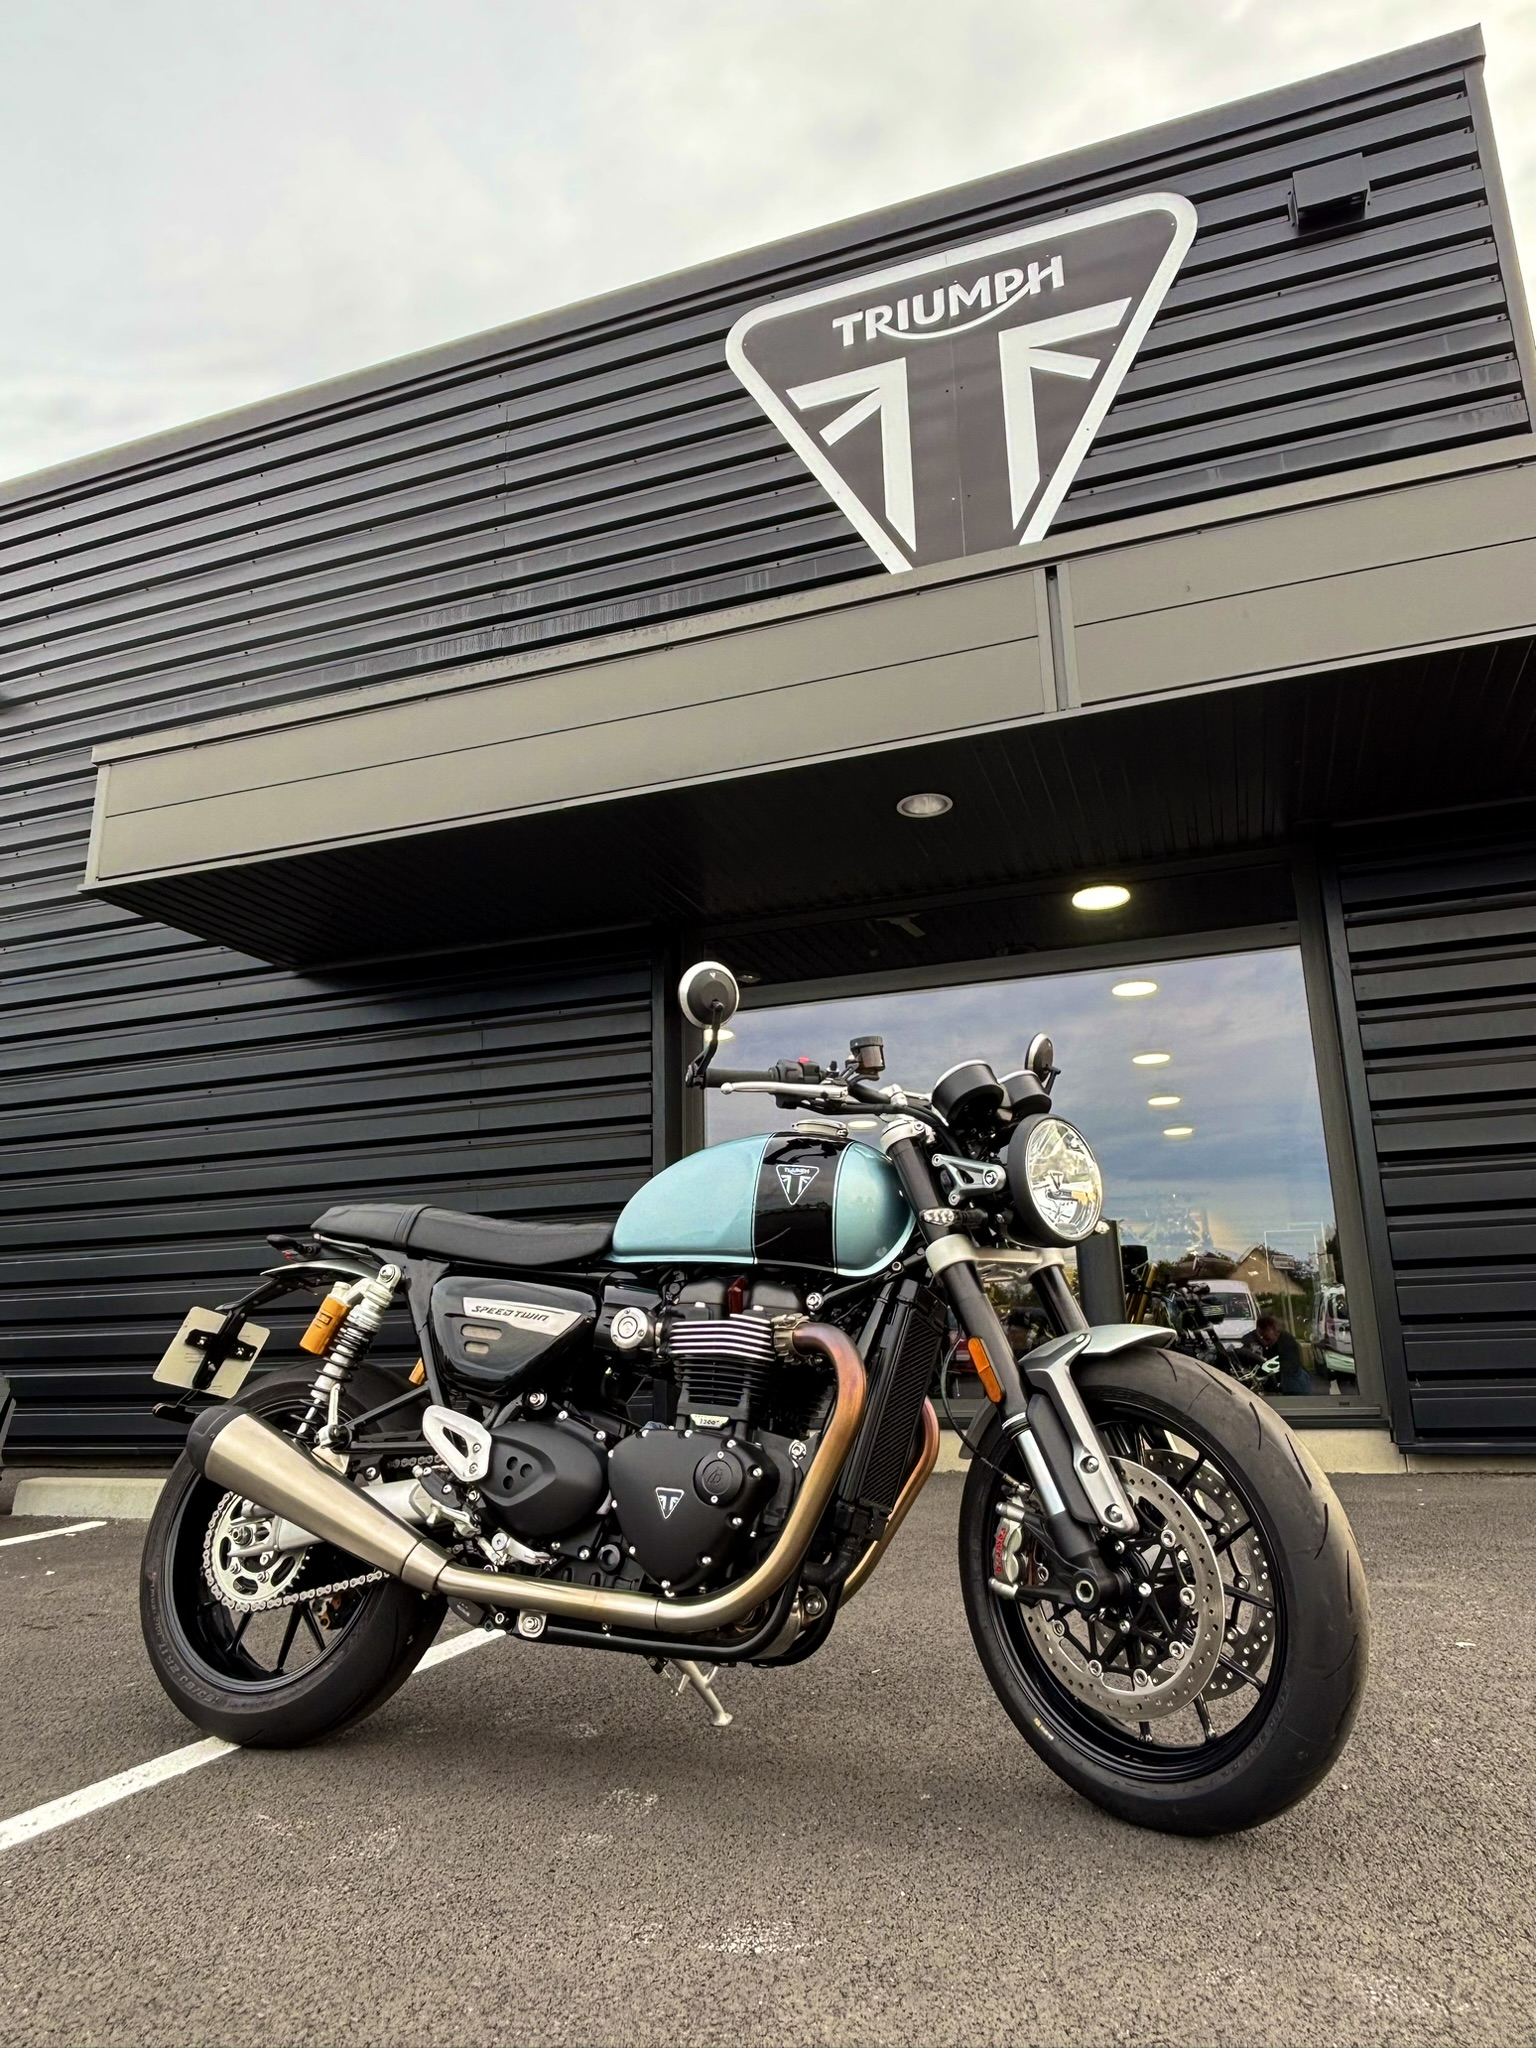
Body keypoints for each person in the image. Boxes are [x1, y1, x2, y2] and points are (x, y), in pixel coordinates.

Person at [1255, 1314, 1322, 1396]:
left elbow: (1286, 1366)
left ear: (1272, 1329)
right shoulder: (1279, 1341)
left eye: (1267, 1338)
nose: (1266, 1343)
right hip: (1294, 1380)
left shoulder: (1286, 1343)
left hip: (1294, 1383)